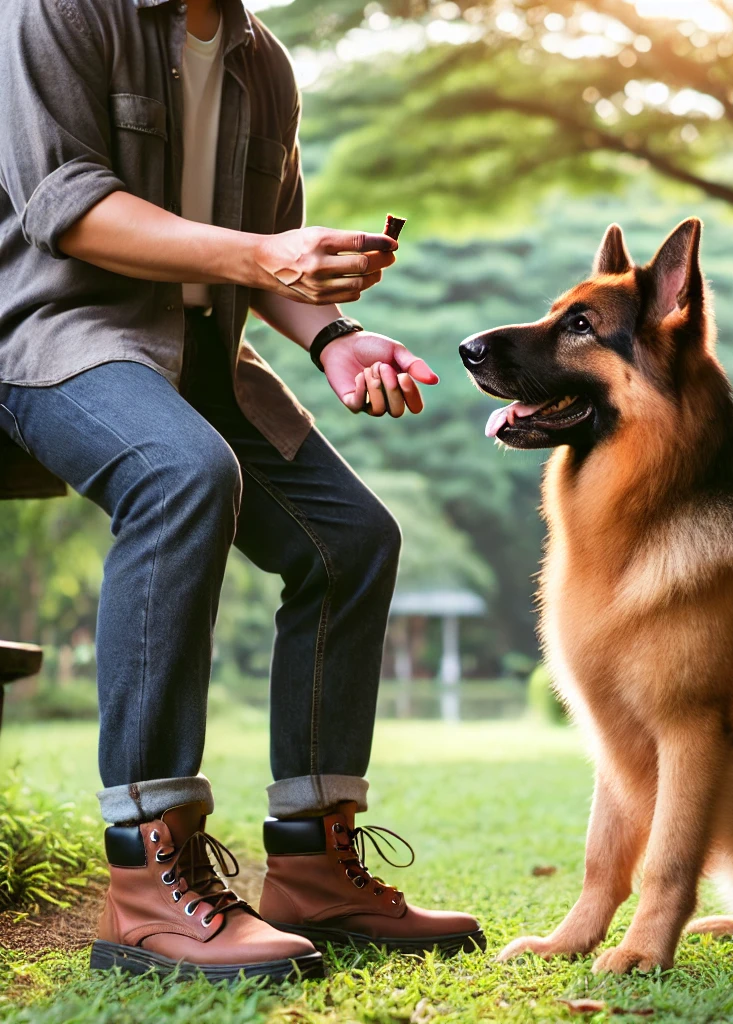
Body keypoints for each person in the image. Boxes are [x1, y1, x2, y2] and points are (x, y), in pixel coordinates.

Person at [0, 0, 483, 981]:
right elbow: (65, 203)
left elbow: (270, 251)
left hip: (205, 359)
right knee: (183, 473)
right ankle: (148, 880)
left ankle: (314, 866)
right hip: (56, 336)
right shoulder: (55, 11)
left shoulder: (262, 62)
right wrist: (266, 254)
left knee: (349, 540)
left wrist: (334, 336)